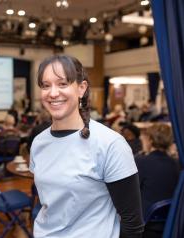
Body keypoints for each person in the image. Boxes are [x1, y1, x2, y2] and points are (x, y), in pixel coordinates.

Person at [30, 55, 144, 238]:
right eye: (45, 85)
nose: (52, 93)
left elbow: (133, 223)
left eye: (62, 84)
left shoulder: (110, 144)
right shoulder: (38, 142)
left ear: (81, 88)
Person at [135, 123, 180, 217]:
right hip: (172, 219)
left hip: (148, 221)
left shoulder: (141, 162)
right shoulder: (177, 163)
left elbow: (131, 191)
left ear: (150, 140)